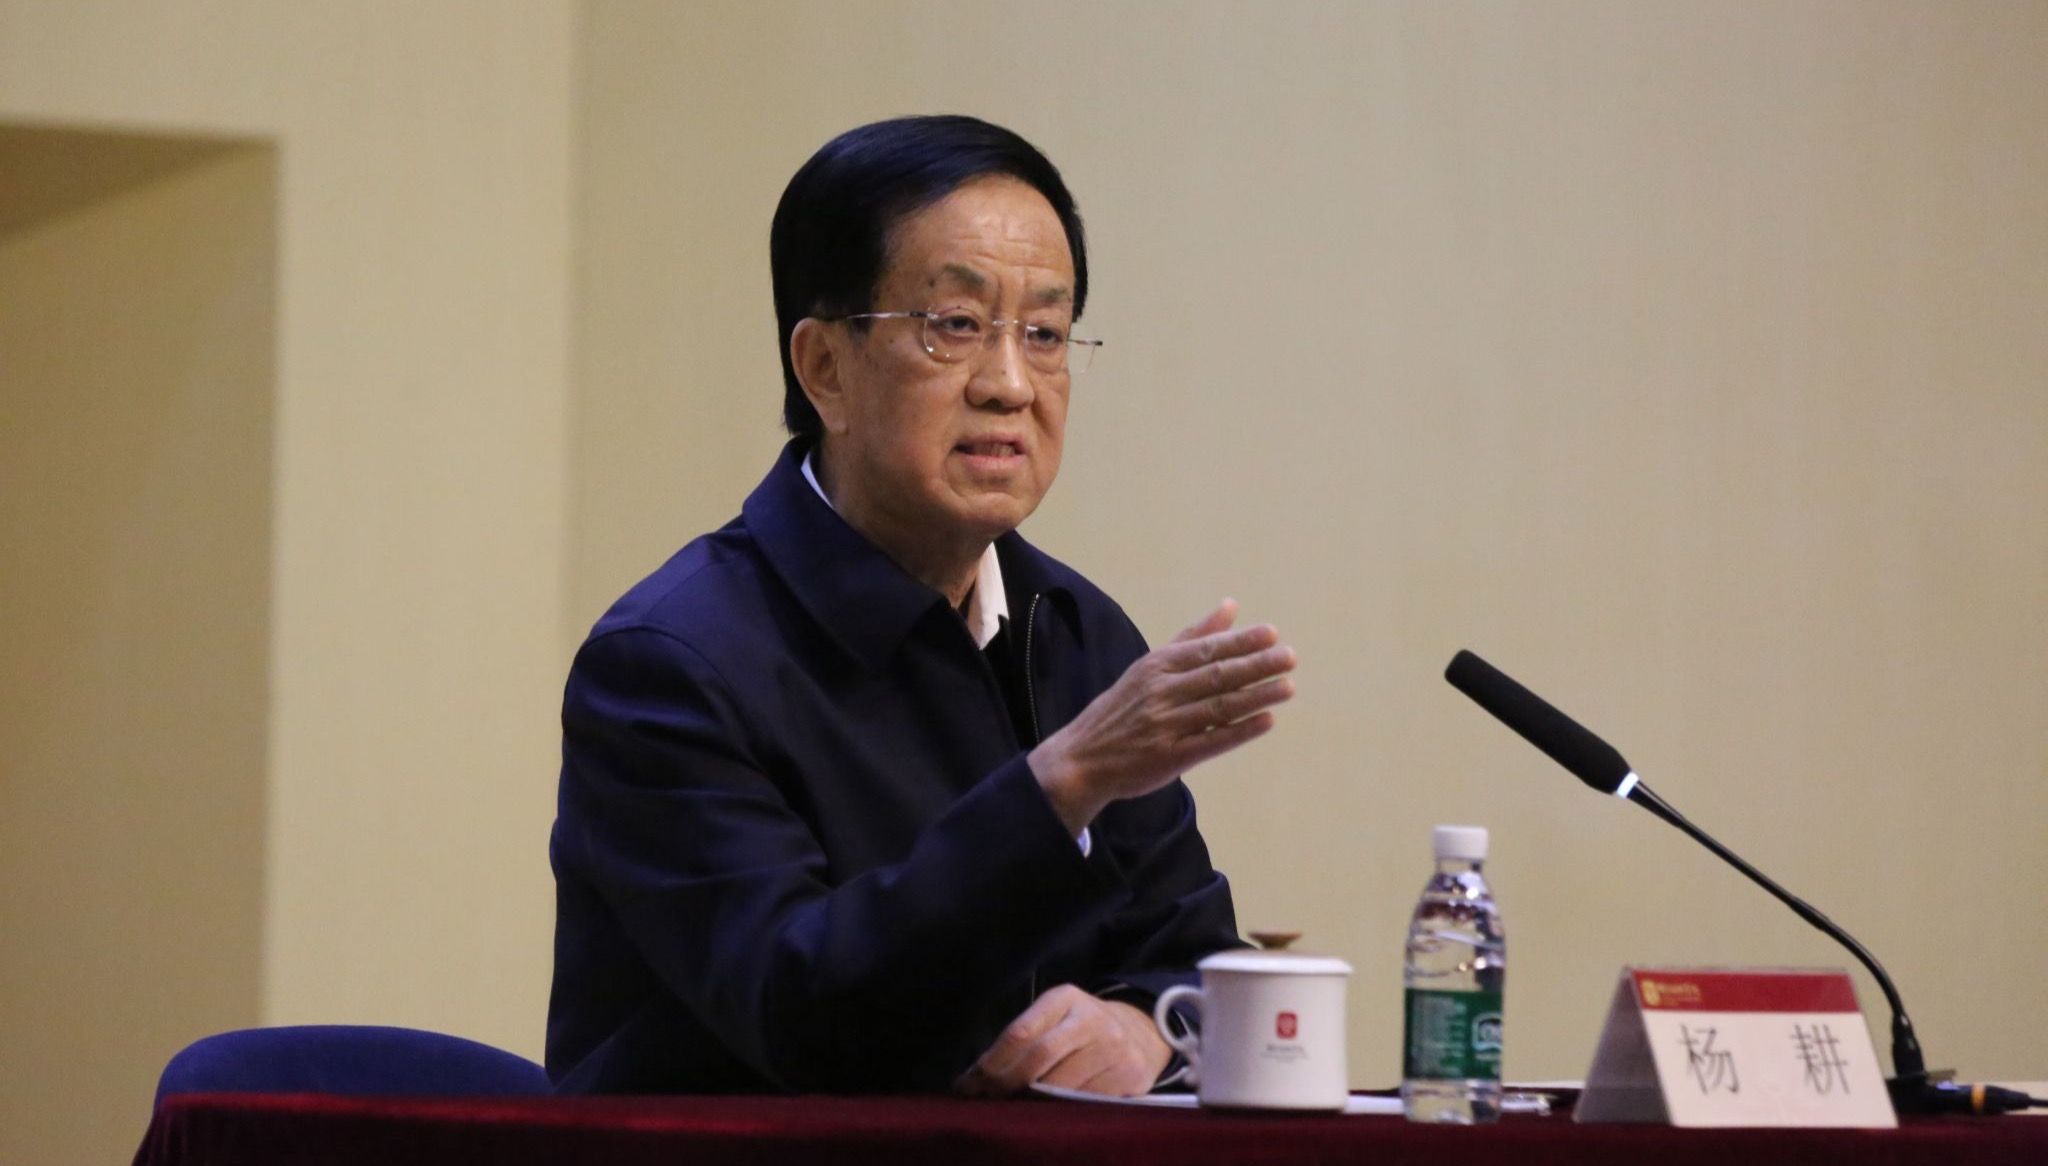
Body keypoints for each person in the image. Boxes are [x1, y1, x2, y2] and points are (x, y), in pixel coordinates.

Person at [546, 115, 1297, 1097]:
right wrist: (1061, 782)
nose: (1010, 385)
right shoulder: (671, 663)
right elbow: (802, 1017)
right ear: (824, 367)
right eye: (955, 325)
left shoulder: (1074, 629)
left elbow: (1193, 963)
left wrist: (1142, 1028)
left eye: (1044, 333)